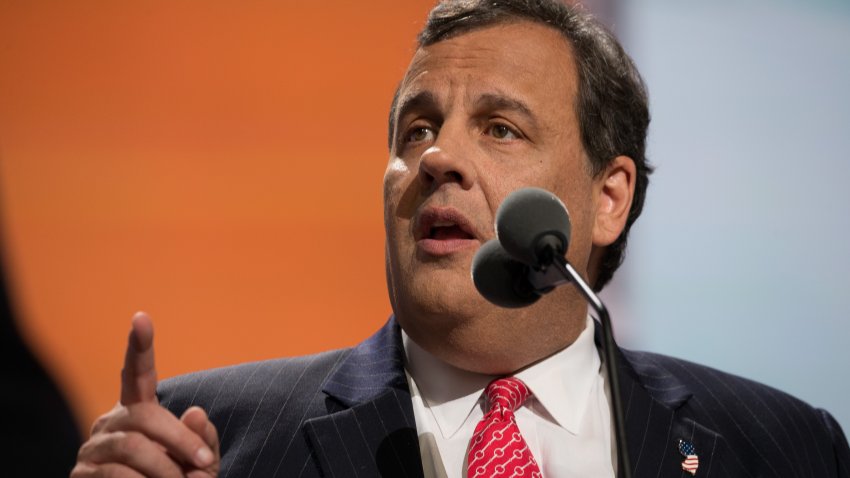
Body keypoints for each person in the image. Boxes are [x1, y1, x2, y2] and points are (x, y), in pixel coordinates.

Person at [72, 1, 850, 477]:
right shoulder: (202, 442)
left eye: (501, 129)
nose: (436, 157)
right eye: (416, 129)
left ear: (608, 198)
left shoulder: (782, 447)